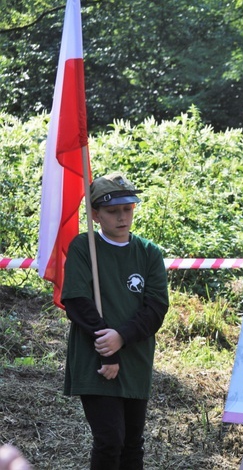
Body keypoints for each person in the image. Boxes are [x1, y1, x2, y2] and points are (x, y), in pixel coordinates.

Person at [61, 173, 169, 470]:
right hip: (95, 360)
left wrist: (121, 337)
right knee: (110, 441)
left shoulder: (149, 253)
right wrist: (108, 349)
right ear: (95, 215)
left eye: (127, 209)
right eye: (112, 211)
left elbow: (156, 307)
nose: (122, 217)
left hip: (135, 359)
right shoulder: (85, 248)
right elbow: (77, 301)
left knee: (133, 445)